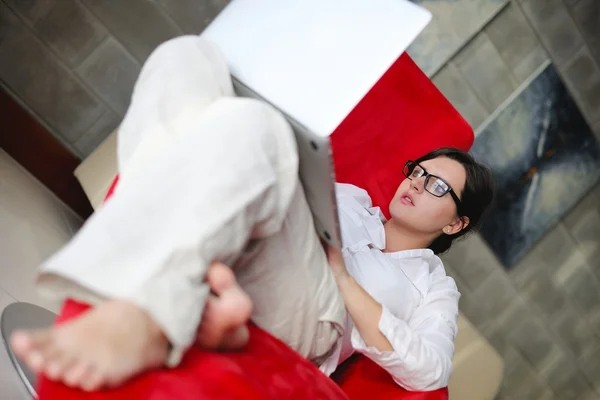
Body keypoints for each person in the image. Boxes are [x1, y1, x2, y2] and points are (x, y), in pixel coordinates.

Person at [10, 35, 495, 393]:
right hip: (262, 246)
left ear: (455, 223)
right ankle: (185, 300)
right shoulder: (350, 198)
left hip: (320, 318)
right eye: (417, 170)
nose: (414, 182)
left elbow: (430, 369)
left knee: (259, 128)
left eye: (435, 185)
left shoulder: (434, 288)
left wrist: (343, 278)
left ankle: (144, 310)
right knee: (185, 58)